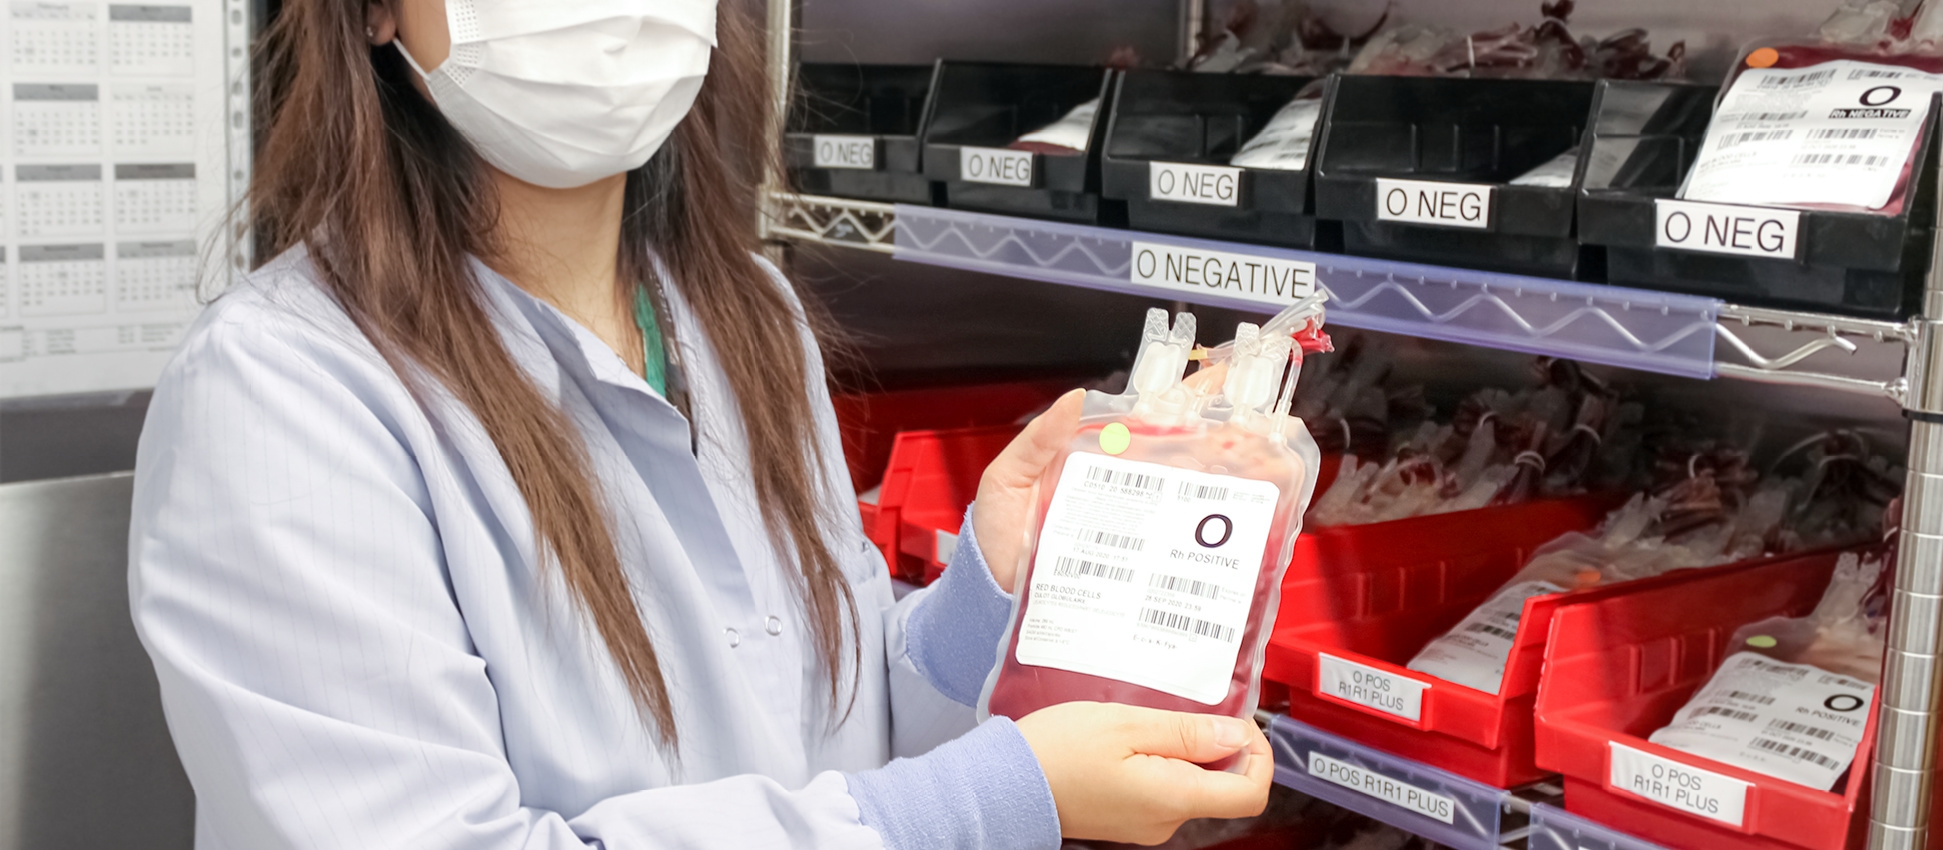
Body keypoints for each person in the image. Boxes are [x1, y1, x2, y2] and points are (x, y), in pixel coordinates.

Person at [125, 0, 1275, 847]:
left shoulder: (742, 320)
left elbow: (839, 728)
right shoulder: (284, 393)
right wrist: (992, 799)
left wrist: (994, 589)